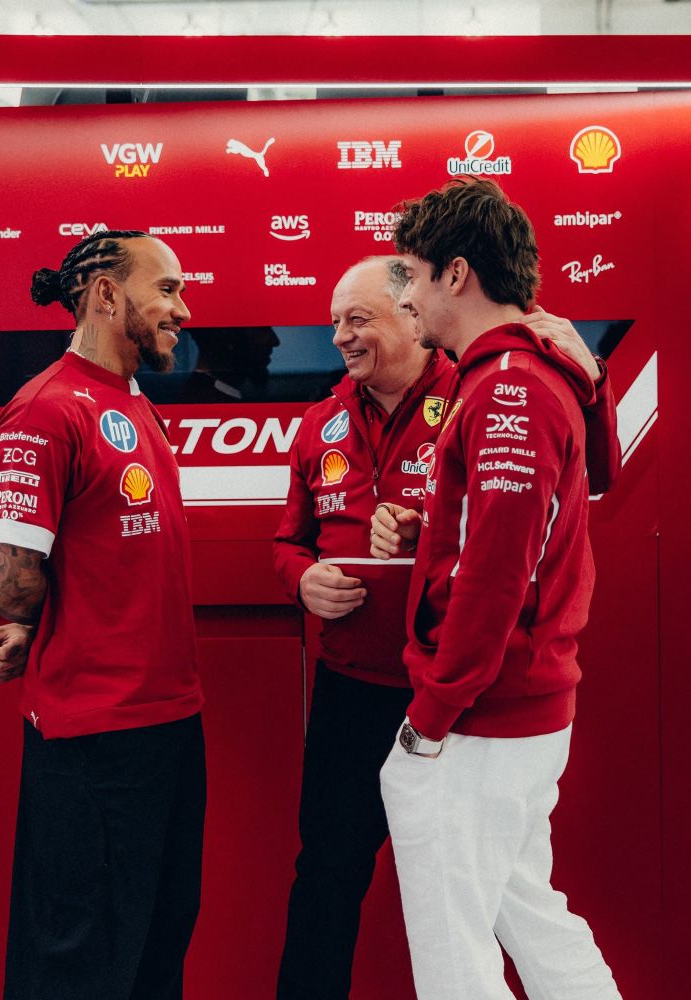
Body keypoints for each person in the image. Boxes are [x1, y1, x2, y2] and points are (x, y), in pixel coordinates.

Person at [272, 254, 619, 1000]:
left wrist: (431, 712)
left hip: (453, 701)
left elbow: (504, 560)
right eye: (332, 321)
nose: (337, 336)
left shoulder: (484, 391)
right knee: (336, 876)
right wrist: (302, 577)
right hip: (356, 689)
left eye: (355, 318)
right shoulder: (321, 422)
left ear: (416, 309)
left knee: (465, 920)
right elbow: (290, 541)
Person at [373, 179, 622, 999]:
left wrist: (433, 715)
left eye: (406, 275)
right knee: (529, 914)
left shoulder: (506, 381)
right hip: (519, 704)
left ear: (453, 274)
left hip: (483, 713)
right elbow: (578, 490)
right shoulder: (533, 367)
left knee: (454, 953)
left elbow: (496, 571)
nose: (400, 296)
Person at [0, 230, 204, 1000]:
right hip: (95, 741)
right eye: (166, 289)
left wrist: (42, 624)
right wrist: (40, 622)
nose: (183, 308)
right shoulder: (44, 410)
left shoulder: (131, 401)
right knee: (78, 964)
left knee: (153, 950)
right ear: (106, 295)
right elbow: (5, 581)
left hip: (168, 724)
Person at [175, 325, 280, 402]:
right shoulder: (203, 402)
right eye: (262, 329)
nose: (275, 341)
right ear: (228, 337)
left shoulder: (212, 395)